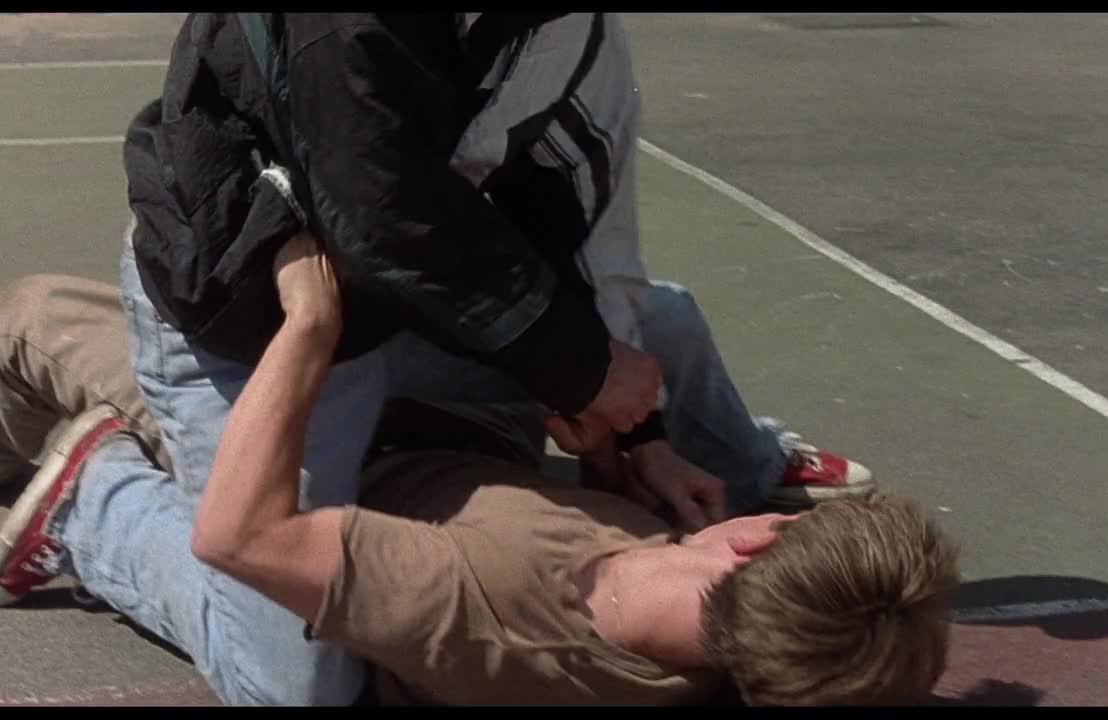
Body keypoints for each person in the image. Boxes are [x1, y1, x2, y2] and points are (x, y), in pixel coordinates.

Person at [110, 12, 875, 704]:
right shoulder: (349, 27)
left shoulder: (575, 32)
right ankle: (95, 493)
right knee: (293, 687)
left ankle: (747, 462)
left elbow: (590, 221)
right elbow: (375, 211)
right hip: (259, 308)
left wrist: (638, 434)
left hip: (398, 310)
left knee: (661, 324)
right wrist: (579, 372)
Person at [0, 259, 958, 706]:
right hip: (463, 440)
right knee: (660, 315)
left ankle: (90, 492)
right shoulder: (699, 619)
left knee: (33, 319)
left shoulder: (484, 606)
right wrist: (622, 452)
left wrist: (309, 329)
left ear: (754, 540)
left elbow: (240, 536)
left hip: (332, 465)